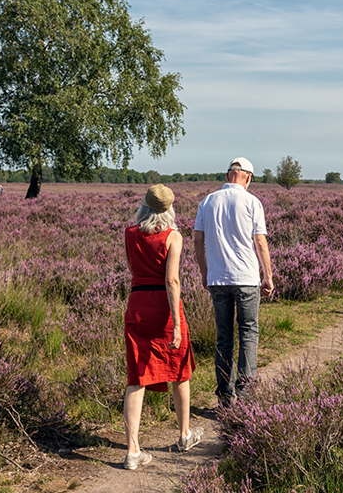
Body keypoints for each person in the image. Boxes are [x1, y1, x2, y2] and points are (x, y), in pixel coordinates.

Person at [122, 184, 203, 470]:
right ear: (170, 209)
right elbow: (172, 281)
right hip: (164, 307)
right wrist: (178, 324)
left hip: (137, 303)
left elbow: (134, 268)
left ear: (143, 206)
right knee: (179, 369)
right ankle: (184, 435)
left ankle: (133, 451)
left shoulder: (130, 234)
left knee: (137, 376)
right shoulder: (173, 237)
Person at [193, 157, 274, 406]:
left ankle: (225, 397)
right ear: (248, 177)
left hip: (218, 279)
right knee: (248, 333)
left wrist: (205, 272)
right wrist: (268, 276)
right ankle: (247, 394)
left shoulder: (207, 201)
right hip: (247, 278)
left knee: (224, 337)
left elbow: (197, 239)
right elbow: (260, 242)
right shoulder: (252, 201)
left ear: (229, 175)